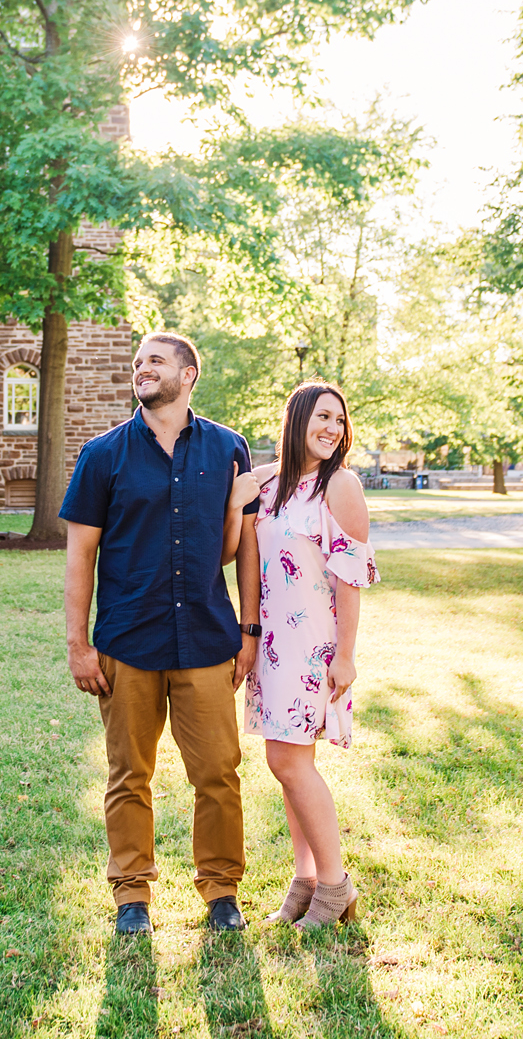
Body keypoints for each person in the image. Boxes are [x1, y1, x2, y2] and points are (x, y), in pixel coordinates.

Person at [60, 332, 268, 936]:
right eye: (137, 363)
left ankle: (222, 891)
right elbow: (81, 556)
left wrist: (249, 629)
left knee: (219, 773)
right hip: (127, 641)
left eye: (155, 360)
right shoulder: (102, 455)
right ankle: (131, 897)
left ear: (189, 374)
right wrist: (78, 643)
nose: (141, 369)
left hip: (207, 638)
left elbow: (242, 547)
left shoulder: (230, 449)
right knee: (129, 774)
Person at [237, 381, 378, 929]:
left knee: (288, 762)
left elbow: (351, 577)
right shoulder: (271, 484)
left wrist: (346, 655)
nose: (332, 429)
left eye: (340, 421)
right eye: (323, 417)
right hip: (274, 644)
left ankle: (335, 886)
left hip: (313, 647)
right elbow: (238, 528)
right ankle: (305, 882)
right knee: (288, 765)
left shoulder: (339, 485)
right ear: (296, 419)